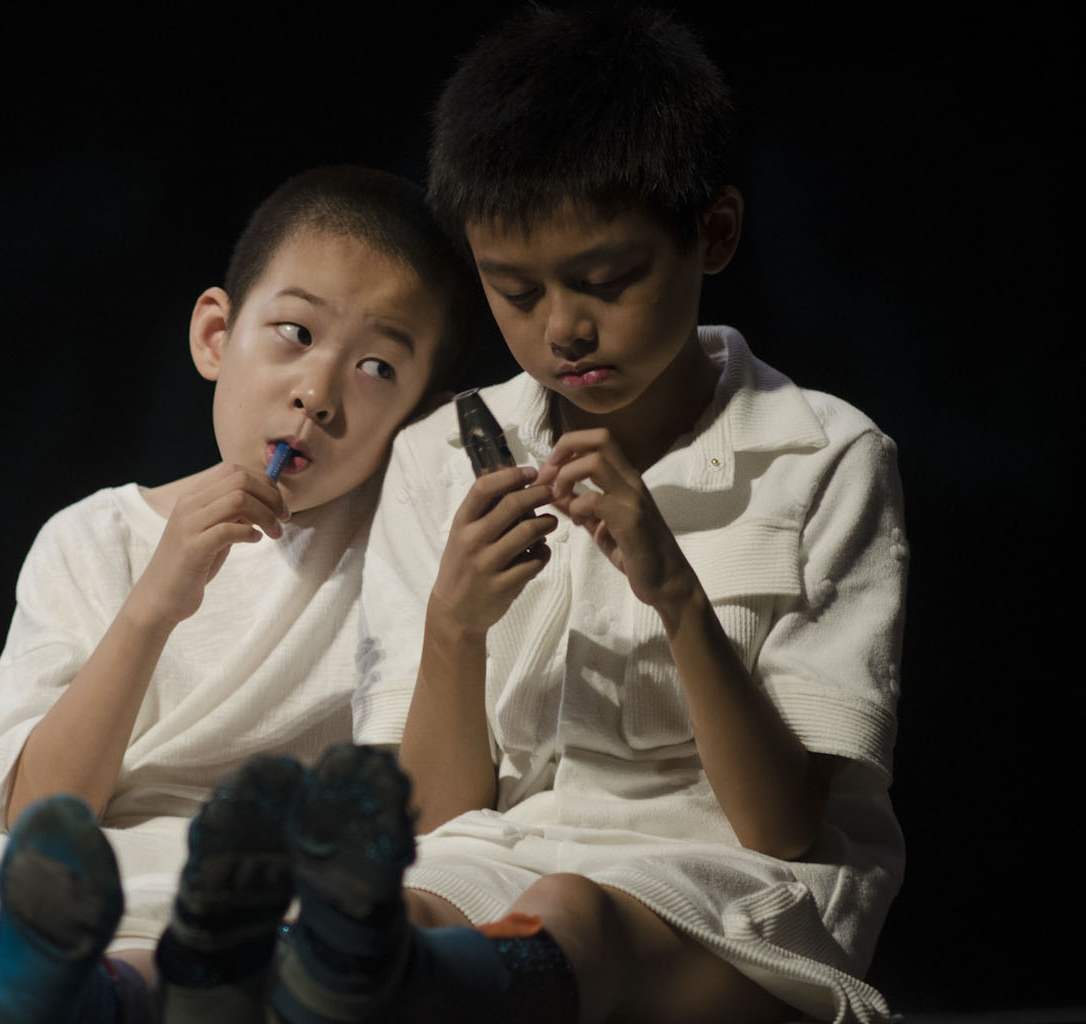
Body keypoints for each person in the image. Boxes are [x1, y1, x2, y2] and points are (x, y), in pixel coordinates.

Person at [258, 7, 906, 1024]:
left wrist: (675, 592)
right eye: (515, 292)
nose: (562, 328)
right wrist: (454, 624)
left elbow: (781, 825)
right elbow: (436, 818)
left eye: (605, 281)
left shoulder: (826, 457)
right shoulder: (440, 456)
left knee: (570, 914)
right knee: (391, 909)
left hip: (736, 908)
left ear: (713, 234)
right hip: (495, 863)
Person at [0, 163, 478, 1024]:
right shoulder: (93, 538)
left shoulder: (405, 543)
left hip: (262, 893)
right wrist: (154, 602)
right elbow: (43, 812)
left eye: (377, 367)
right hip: (75, 873)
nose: (318, 393)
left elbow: (425, 817)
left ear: (419, 413)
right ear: (216, 336)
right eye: (295, 333)